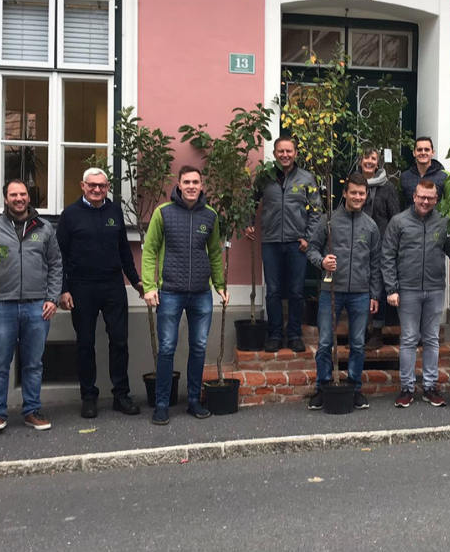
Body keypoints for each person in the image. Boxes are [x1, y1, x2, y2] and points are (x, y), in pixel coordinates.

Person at [0, 179, 63, 434]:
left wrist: (52, 298)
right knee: (0, 364)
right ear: (5, 199)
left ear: (29, 198)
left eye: (23, 194)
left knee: (33, 363)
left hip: (36, 307)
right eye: (13, 194)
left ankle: (32, 411)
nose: (19, 198)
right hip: (3, 307)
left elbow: (56, 264)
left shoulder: (44, 228)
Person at [142, 166, 230, 425]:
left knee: (199, 347)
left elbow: (214, 252)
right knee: (167, 349)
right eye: (187, 182)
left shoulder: (210, 215)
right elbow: (150, 250)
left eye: (196, 182)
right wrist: (149, 286)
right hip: (169, 291)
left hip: (201, 293)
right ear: (178, 185)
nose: (191, 186)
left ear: (202, 186)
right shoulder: (163, 212)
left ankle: (193, 400)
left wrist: (220, 284)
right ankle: (161, 404)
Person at [57, 167, 144, 419]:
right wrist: (63, 289)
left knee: (119, 340)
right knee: (85, 343)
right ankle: (88, 397)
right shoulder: (70, 215)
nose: (97, 190)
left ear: (107, 188)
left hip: (113, 285)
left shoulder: (114, 211)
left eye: (102, 186)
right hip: (81, 286)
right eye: (92, 185)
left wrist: (136, 281)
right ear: (82, 186)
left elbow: (124, 251)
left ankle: (121, 395)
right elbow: (59, 255)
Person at [382, 180, 450, 408]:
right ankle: (407, 388)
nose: (425, 201)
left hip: (434, 288)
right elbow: (388, 255)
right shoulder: (398, 221)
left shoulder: (443, 222)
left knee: (431, 339)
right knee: (409, 339)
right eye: (422, 197)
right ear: (414, 196)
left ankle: (430, 386)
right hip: (408, 289)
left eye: (430, 198)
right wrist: (391, 288)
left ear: (436, 199)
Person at [306, 173, 382, 411]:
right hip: (332, 291)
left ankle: (355, 387)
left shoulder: (370, 227)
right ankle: (322, 386)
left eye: (362, 193)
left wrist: (374, 294)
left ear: (365, 195)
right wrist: (322, 261)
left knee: (358, 344)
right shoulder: (328, 222)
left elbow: (376, 263)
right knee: (326, 341)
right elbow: (311, 249)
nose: (358, 197)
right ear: (345, 193)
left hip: (360, 293)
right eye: (354, 192)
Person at [245, 137, 321, 353]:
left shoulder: (307, 178)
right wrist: (248, 223)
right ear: (275, 153)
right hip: (270, 242)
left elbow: (316, 211)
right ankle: (275, 335)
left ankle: (295, 334)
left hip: (297, 243)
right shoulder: (265, 177)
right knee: (273, 291)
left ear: (295, 153)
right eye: (280, 151)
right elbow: (251, 201)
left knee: (296, 292)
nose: (285, 155)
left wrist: (309, 238)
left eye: (289, 151)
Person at [357, 146, 400, 350]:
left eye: (373, 159)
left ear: (378, 162)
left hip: (382, 245)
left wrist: (393, 245)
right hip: (358, 244)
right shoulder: (354, 184)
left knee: (379, 289)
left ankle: (377, 332)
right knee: (360, 288)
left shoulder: (388, 187)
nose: (369, 162)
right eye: (366, 158)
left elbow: (395, 219)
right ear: (360, 161)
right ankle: (360, 331)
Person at [398, 136, 448, 208]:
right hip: (410, 218)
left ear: (432, 152)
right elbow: (399, 205)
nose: (423, 152)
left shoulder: (444, 176)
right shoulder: (404, 177)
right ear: (414, 153)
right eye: (419, 150)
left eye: (427, 150)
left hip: (436, 219)